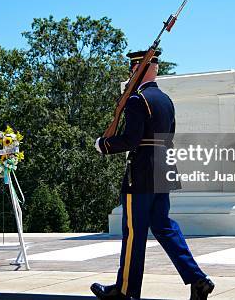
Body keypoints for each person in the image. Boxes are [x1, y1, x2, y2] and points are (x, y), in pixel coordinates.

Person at [90, 50, 214, 300]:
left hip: (142, 173)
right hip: (164, 169)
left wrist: (104, 145)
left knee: (134, 233)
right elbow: (169, 136)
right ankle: (198, 279)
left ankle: (125, 290)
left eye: (132, 70)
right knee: (164, 226)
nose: (130, 74)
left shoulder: (138, 99)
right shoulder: (166, 100)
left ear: (139, 69)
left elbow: (131, 139)